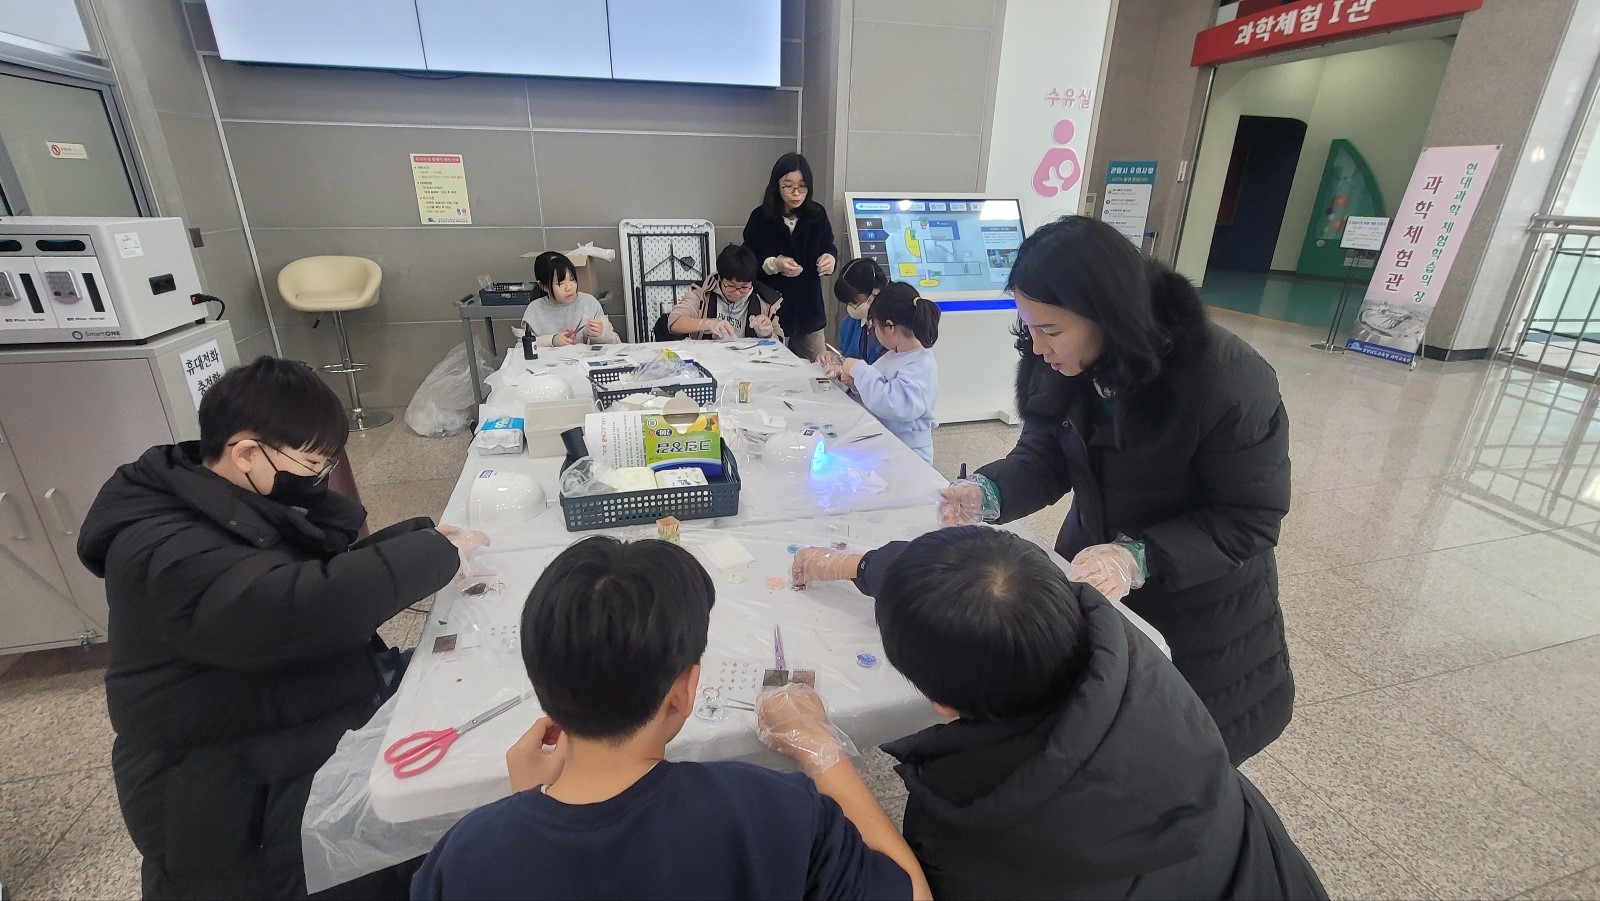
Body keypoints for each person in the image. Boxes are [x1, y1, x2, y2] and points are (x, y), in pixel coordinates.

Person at [76, 356, 480, 899]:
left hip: (260, 714)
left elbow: (307, 572)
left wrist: (418, 537)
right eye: (311, 464)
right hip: (213, 788)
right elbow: (292, 607)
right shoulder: (163, 549)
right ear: (245, 452)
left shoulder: (220, 494)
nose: (317, 479)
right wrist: (430, 554)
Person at [789, 527, 1326, 901]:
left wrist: (825, 757)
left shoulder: (973, 828)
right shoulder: (1130, 653)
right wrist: (852, 564)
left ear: (942, 705)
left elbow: (906, 889)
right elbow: (976, 580)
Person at [937, 215, 1294, 764]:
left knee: (1179, 754)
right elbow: (1046, 452)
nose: (1036, 347)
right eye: (1028, 325)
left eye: (1050, 330)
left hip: (1200, 601)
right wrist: (990, 491)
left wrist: (1139, 557)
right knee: (1090, 733)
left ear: (1106, 313)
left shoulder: (1227, 379)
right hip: (1092, 567)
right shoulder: (1056, 358)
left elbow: (1250, 516)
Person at [412, 536, 931, 901]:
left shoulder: (460, 859)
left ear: (542, 682)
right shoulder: (773, 812)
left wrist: (524, 809)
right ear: (684, 689)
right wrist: (821, 747)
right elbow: (910, 893)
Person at [825, 282, 940, 464]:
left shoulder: (920, 364)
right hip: (887, 443)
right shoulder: (896, 354)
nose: (874, 333)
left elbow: (891, 403)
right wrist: (854, 384)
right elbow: (879, 386)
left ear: (890, 327)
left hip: (909, 454)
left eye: (875, 327)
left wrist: (859, 369)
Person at [743, 152, 838, 361]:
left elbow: (828, 245)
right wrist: (774, 264)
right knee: (770, 367)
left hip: (808, 309)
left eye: (802, 186)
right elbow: (748, 261)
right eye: (788, 185)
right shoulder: (761, 218)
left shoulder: (816, 215)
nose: (796, 192)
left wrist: (829, 259)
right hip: (771, 310)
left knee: (819, 369)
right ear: (776, 185)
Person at [664, 243, 785, 341]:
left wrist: (767, 334)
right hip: (710, 358)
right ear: (720, 279)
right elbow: (674, 321)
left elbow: (781, 344)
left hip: (748, 362)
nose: (737, 293)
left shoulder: (764, 301)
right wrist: (707, 324)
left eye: (744, 287)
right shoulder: (702, 293)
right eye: (731, 286)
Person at [520, 250, 620, 346]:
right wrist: (553, 340)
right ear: (543, 286)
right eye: (560, 283)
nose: (569, 287)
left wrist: (600, 334)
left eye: (572, 279)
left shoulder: (589, 303)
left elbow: (615, 343)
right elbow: (522, 347)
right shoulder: (534, 310)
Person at [833, 257, 888, 364]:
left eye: (855, 302)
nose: (851, 307)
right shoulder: (849, 323)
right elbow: (844, 355)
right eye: (848, 303)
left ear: (875, 292)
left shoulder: (891, 327)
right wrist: (834, 359)